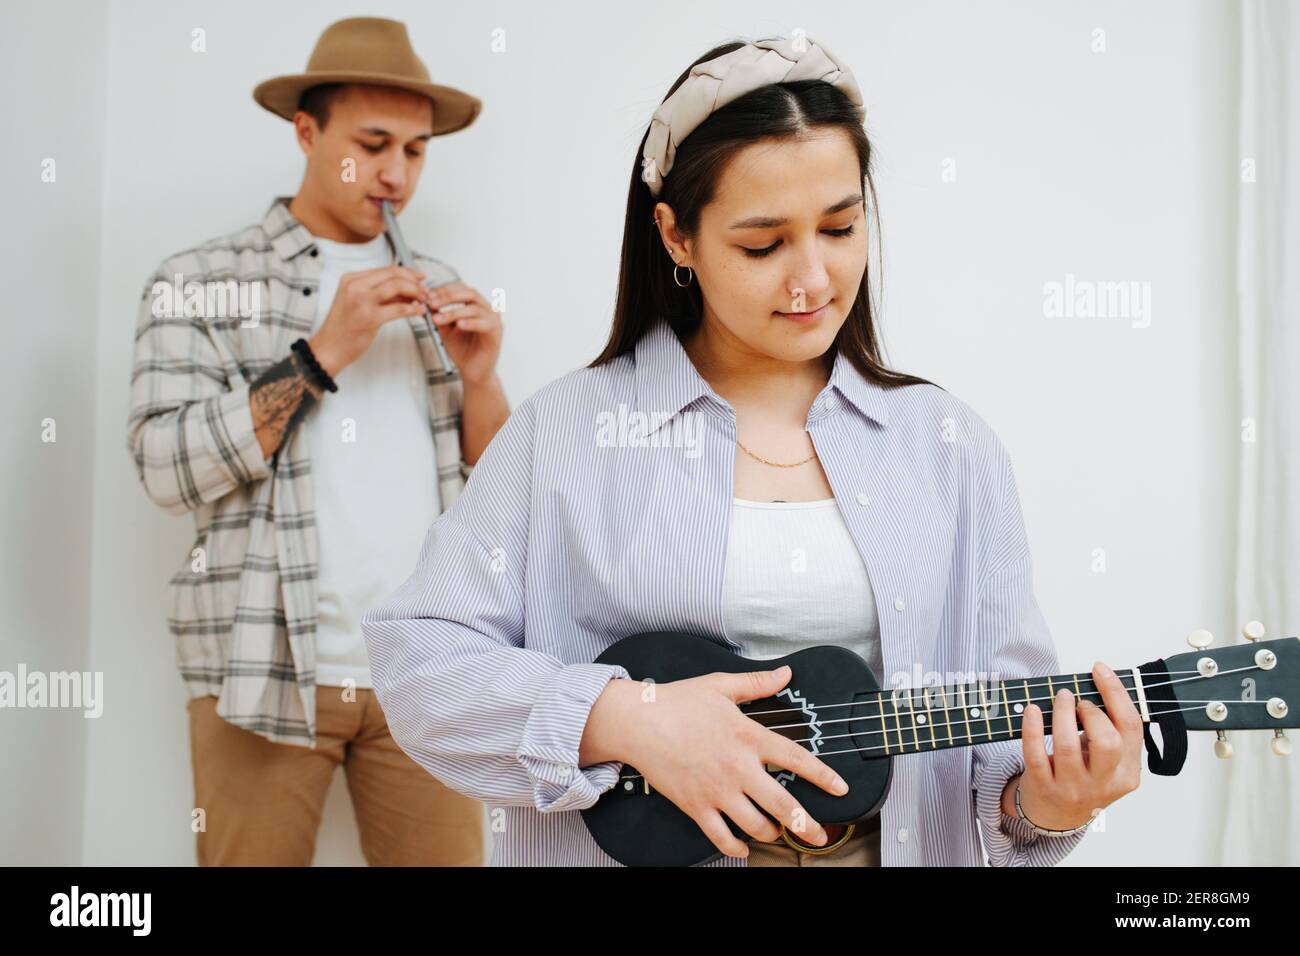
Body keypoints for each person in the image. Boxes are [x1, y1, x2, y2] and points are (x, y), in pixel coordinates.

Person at [360, 36, 1145, 867]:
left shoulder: (948, 448)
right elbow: (419, 664)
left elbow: (997, 776)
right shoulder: (564, 435)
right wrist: (621, 717)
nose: (812, 279)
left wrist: (1050, 806)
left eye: (840, 227)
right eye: (763, 245)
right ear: (676, 237)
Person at [126, 17, 510, 865]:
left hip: (424, 670)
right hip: (262, 667)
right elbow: (164, 467)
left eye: (415, 150)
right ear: (307, 133)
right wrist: (322, 352)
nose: (396, 173)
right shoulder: (199, 282)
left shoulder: (436, 286)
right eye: (372, 143)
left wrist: (481, 378)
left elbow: (500, 494)